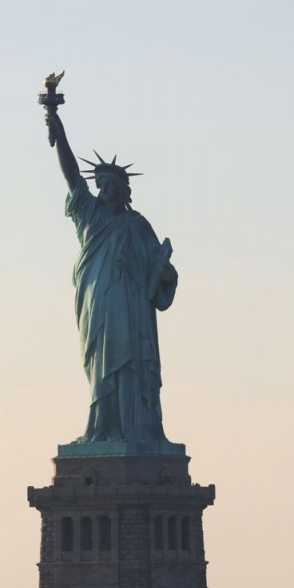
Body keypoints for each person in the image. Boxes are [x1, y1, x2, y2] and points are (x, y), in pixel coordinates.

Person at [46, 112, 178, 446]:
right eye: (100, 185)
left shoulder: (138, 225)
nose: (103, 190)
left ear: (124, 190)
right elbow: (71, 173)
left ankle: (136, 430)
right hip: (98, 301)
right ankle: (101, 428)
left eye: (110, 186)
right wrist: (56, 123)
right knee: (101, 362)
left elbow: (159, 272)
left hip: (132, 308)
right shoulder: (89, 213)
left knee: (131, 361)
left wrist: (164, 271)